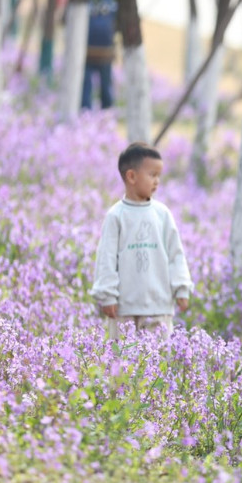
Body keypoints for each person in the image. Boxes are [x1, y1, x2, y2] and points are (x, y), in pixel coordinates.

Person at [90, 143, 193, 338]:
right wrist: (108, 295)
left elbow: (175, 254)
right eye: (152, 175)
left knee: (159, 360)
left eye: (159, 176)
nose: (157, 181)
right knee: (121, 360)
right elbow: (107, 258)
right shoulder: (116, 215)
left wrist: (181, 288)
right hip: (124, 306)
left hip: (158, 305)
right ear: (131, 176)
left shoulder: (162, 214)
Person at [82, 0, 118, 111]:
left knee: (85, 86)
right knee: (106, 85)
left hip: (85, 49)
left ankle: (85, 111)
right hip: (106, 50)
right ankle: (107, 113)